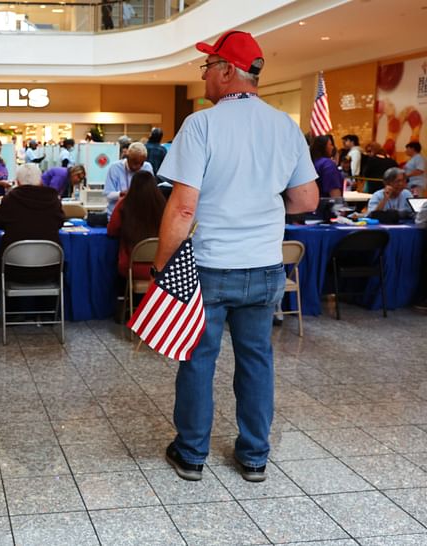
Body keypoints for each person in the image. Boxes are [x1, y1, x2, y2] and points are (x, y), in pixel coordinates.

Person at [155, 30, 318, 483]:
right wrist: (260, 204)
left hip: (210, 266)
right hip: (265, 267)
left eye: (208, 66)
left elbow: (183, 206)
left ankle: (190, 454)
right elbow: (307, 198)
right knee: (256, 360)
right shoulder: (284, 125)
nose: (204, 74)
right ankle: (253, 457)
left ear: (227, 71)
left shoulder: (202, 124)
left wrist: (162, 265)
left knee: (198, 360)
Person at [0, 163, 64, 286]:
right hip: (50, 268)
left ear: (18, 182)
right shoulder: (53, 199)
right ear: (40, 181)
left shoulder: (11, 199)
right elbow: (60, 222)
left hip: (13, 268)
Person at [107, 170, 166, 280]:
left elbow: (112, 230)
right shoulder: (163, 205)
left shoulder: (124, 204)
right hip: (160, 267)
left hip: (131, 267)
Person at [104, 142, 154, 219]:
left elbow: (151, 193)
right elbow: (108, 195)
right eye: (135, 162)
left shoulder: (147, 167)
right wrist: (121, 194)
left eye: (141, 163)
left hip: (140, 216)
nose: (138, 167)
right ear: (127, 157)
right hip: (117, 216)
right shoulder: (115, 168)